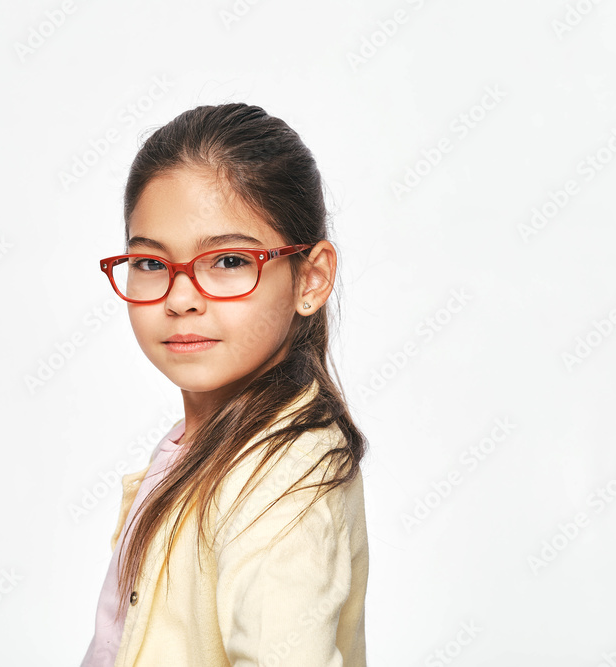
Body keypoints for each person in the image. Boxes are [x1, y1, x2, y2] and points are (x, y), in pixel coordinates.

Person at [80, 102, 369, 667]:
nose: (181, 296)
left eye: (229, 260)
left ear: (310, 278)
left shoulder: (287, 479)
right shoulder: (199, 446)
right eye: (150, 263)